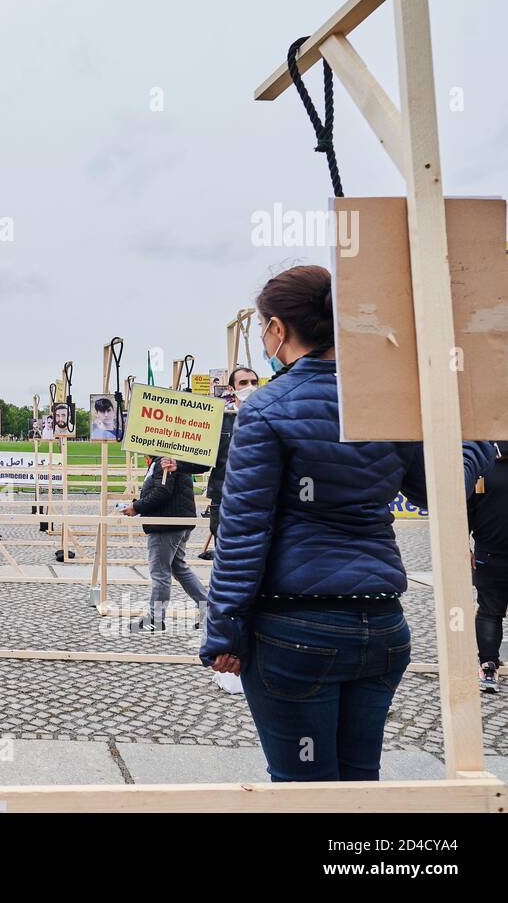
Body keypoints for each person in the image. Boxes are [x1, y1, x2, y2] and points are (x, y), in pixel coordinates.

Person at [201, 264, 495, 782]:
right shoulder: (388, 401)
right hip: (382, 625)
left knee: (303, 789)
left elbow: (243, 530)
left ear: (276, 329)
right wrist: (470, 427)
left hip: (295, 626)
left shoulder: (266, 408)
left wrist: (224, 631)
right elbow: (440, 490)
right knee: (360, 783)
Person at [124, 454, 210, 631]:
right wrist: (137, 504)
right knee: (178, 568)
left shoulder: (164, 460)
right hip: (177, 521)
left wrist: (137, 507)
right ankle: (209, 610)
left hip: (167, 524)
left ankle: (155, 619)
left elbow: (162, 492)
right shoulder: (170, 458)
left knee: (160, 572)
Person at [197, 366, 260, 561]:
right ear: (231, 389)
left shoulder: (268, 418)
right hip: (224, 499)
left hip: (258, 500)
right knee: (226, 559)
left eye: (254, 382)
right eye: (243, 383)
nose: (250, 386)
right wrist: (177, 464)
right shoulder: (221, 420)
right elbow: (202, 460)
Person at [469, 441, 508, 692]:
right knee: (489, 612)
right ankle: (489, 665)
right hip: (489, 554)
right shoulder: (483, 466)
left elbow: (466, 509)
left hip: (489, 553)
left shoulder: (482, 464)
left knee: (489, 612)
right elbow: (467, 508)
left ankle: (489, 665)